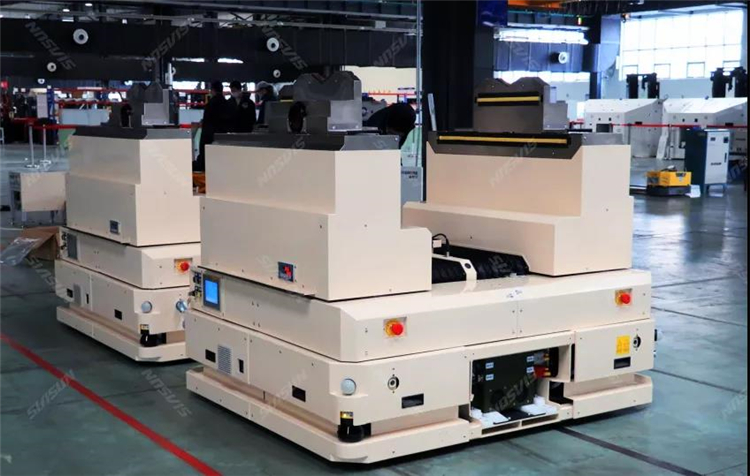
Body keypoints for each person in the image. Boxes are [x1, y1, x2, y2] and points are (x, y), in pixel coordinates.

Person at [196, 81, 228, 172]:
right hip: (222, 136)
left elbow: (207, 121)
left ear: (213, 90)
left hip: (209, 135)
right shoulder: (226, 103)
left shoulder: (211, 103)